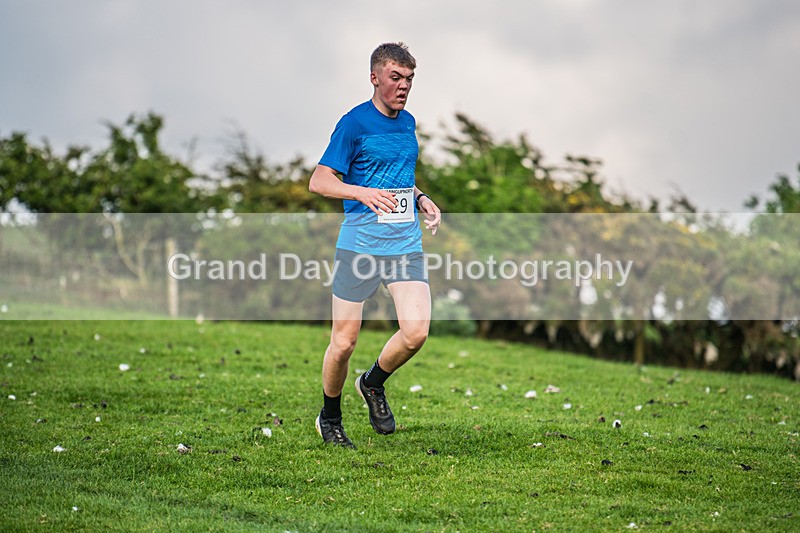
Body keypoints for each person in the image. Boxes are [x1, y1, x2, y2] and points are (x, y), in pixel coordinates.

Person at [308, 42, 441, 448]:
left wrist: (420, 197)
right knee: (344, 342)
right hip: (360, 246)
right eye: (395, 78)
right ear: (375, 78)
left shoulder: (408, 123)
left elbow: (397, 177)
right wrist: (362, 193)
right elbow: (319, 181)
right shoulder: (353, 123)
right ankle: (329, 417)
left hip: (403, 244)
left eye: (409, 79)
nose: (403, 87)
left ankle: (372, 382)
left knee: (416, 333)